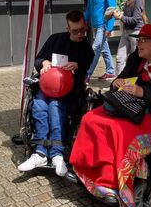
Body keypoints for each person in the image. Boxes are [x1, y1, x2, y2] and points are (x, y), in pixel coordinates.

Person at [69, 24, 151, 207]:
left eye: (143, 40)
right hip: (132, 109)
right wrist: (117, 82)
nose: (138, 43)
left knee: (118, 132)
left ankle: (110, 184)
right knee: (90, 118)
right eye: (139, 39)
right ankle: (85, 170)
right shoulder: (137, 58)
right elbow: (122, 78)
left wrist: (143, 92)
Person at [18, 10, 94, 176]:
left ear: (85, 25)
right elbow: (38, 60)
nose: (80, 34)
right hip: (47, 86)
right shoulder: (55, 39)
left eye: (83, 29)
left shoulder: (87, 50)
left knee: (54, 106)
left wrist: (77, 65)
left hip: (69, 90)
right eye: (75, 31)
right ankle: (40, 152)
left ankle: (57, 153)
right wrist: (44, 62)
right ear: (68, 28)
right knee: (39, 105)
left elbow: (84, 67)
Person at [84, 0, 116, 82]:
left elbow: (112, 9)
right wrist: (84, 21)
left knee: (95, 48)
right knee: (104, 49)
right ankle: (110, 71)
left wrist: (109, 27)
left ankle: (87, 74)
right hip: (95, 25)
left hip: (103, 26)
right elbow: (89, 8)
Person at [113, 0, 145, 75]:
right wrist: (120, 13)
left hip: (135, 32)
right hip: (126, 32)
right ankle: (118, 84)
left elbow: (135, 19)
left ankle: (135, 82)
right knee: (119, 59)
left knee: (135, 60)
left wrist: (121, 17)